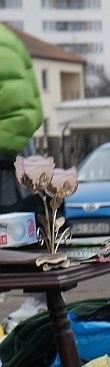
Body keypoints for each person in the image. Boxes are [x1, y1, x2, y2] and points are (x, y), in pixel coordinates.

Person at [0, 22, 47, 332]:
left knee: (14, 231)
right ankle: (39, 299)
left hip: (7, 154)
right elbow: (30, 108)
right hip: (16, 152)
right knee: (26, 228)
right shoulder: (11, 41)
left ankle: (37, 300)